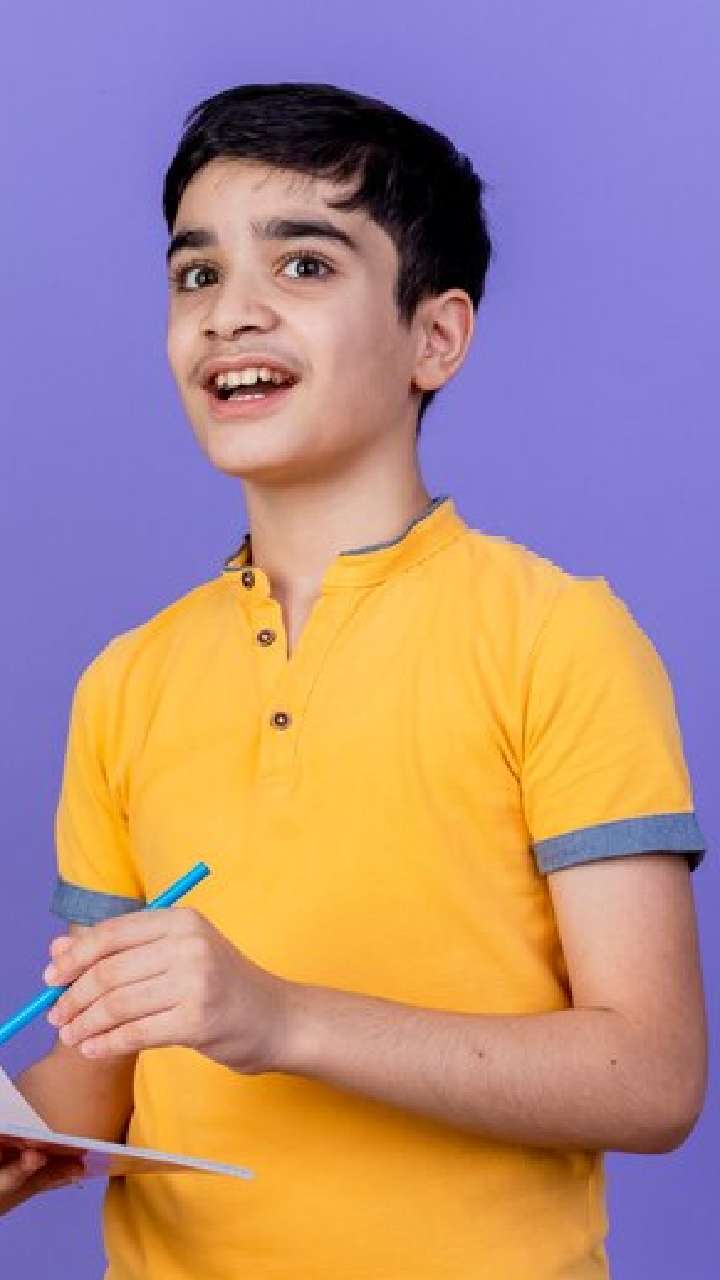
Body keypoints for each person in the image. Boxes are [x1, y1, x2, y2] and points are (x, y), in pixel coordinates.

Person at [2, 82, 708, 1278]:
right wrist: (18, 1134)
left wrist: (278, 1016)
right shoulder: (124, 682)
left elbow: (653, 1075)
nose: (231, 312)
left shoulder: (558, 637)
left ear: (436, 336)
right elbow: (98, 1073)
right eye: (196, 274)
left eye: (305, 265)